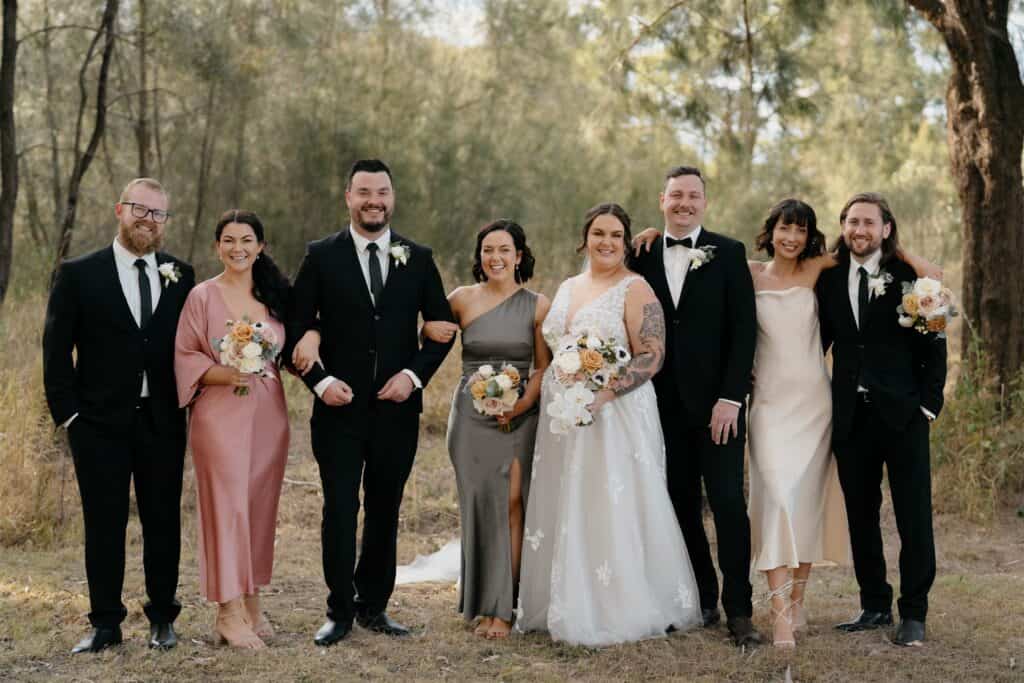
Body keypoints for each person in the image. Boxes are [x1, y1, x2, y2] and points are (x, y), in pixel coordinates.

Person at [633, 198, 943, 647]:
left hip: (826, 405)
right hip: (777, 407)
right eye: (784, 228)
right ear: (772, 230)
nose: (791, 237)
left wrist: (898, 245)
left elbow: (923, 292)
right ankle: (806, 608)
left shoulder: (834, 270)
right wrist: (650, 232)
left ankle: (881, 610)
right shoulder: (759, 271)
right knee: (782, 498)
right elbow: (718, 295)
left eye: (800, 230)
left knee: (836, 508)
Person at [516, 203, 702, 647]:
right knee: (567, 499)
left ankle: (612, 604)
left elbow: (652, 354)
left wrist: (604, 392)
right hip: (563, 416)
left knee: (606, 501)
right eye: (599, 233)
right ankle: (557, 596)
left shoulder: (635, 288)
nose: (606, 242)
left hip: (614, 413)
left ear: (626, 242)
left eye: (616, 235)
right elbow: (556, 348)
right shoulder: (567, 286)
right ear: (585, 238)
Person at [286, 159, 455, 646]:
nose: (373, 201)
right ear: (348, 197)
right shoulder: (321, 255)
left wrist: (412, 376)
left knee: (385, 507)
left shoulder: (418, 257)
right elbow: (297, 328)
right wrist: (319, 382)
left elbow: (442, 330)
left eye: (381, 192)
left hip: (397, 411)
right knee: (340, 507)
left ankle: (374, 606)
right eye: (364, 192)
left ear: (392, 197)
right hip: (337, 410)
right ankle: (338, 610)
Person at [42, 178, 195, 653]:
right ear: (119, 210)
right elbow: (54, 350)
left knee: (163, 520)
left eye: (158, 213)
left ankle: (162, 618)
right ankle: (105, 624)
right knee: (104, 524)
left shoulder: (180, 274)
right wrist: (70, 417)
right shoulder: (79, 273)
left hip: (162, 422)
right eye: (140, 209)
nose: (149, 219)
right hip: (98, 425)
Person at [629, 166, 762, 646]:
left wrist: (731, 398)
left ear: (705, 202)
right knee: (680, 505)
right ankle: (702, 597)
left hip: (718, 408)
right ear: (661, 199)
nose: (684, 203)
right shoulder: (640, 253)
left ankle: (740, 611)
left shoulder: (729, 253)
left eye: (693, 196)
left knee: (728, 504)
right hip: (659, 407)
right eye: (676, 195)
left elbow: (743, 331)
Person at [816, 193, 946, 647]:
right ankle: (874, 604)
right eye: (853, 222)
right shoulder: (828, 280)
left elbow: (936, 341)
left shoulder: (915, 277)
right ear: (843, 225)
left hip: (904, 415)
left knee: (913, 517)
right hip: (850, 418)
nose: (860, 230)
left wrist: (928, 406)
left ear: (886, 228)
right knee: (861, 516)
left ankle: (913, 613)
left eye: (869, 223)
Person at [420, 220, 551, 640]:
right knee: (478, 505)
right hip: (470, 418)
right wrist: (424, 327)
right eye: (487, 249)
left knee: (512, 504)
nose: (495, 257)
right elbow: (429, 327)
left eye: (504, 249)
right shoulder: (460, 299)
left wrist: (522, 404)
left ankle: (505, 608)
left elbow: (544, 366)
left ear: (519, 255)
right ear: (480, 257)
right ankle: (482, 603)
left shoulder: (537, 304)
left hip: (519, 415)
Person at [173, 210, 291, 649]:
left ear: (260, 246)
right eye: (228, 240)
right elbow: (185, 354)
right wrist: (224, 373)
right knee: (227, 508)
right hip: (219, 415)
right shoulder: (201, 297)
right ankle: (226, 611)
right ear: (216, 246)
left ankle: (252, 602)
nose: (237, 248)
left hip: (269, 416)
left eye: (246, 240)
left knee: (259, 507)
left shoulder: (275, 296)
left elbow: (294, 348)